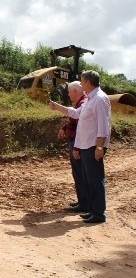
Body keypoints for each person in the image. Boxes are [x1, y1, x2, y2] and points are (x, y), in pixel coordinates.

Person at [50, 70, 111, 224]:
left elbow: (103, 126)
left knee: (95, 180)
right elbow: (76, 115)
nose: (81, 83)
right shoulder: (90, 99)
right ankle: (93, 210)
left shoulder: (99, 99)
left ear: (89, 82)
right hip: (85, 145)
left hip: (92, 146)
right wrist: (57, 107)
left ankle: (98, 214)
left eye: (82, 81)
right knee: (90, 180)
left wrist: (99, 147)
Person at [57, 81, 88, 213]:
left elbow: (75, 117)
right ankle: (83, 201)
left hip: (78, 141)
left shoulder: (83, 103)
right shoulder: (81, 102)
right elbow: (72, 118)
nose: (68, 95)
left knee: (79, 173)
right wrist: (64, 127)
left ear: (75, 91)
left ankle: (84, 203)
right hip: (76, 140)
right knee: (79, 173)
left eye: (69, 92)